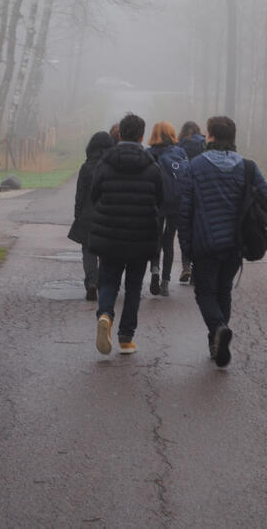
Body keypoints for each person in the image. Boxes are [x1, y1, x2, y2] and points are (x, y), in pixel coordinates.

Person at [178, 116, 267, 367]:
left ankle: (218, 329)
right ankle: (216, 342)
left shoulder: (195, 166)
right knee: (223, 290)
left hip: (205, 242)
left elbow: (184, 210)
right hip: (236, 242)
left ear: (210, 136)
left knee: (204, 291)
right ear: (232, 137)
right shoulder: (247, 167)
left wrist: (186, 247)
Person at [89, 113, 163, 355]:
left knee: (109, 280)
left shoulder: (105, 162)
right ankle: (126, 338)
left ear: (120, 134)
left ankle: (105, 315)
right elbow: (160, 200)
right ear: (142, 136)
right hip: (141, 237)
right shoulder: (152, 165)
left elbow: (94, 194)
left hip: (110, 235)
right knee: (133, 288)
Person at [68, 131, 114, 301]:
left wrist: (77, 214)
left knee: (88, 250)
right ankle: (101, 281)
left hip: (88, 214)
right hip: (108, 214)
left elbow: (79, 194)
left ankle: (91, 282)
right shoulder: (112, 166)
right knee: (106, 251)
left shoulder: (86, 167)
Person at [147, 121, 189, 297]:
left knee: (155, 237)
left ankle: (155, 270)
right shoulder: (180, 152)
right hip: (175, 202)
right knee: (169, 240)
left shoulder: (149, 153)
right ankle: (165, 282)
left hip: (155, 202)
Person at [176, 121, 205, 283]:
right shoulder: (204, 144)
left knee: (184, 232)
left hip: (184, 191)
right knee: (199, 232)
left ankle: (186, 265)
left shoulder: (179, 144)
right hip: (201, 192)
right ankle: (196, 272)